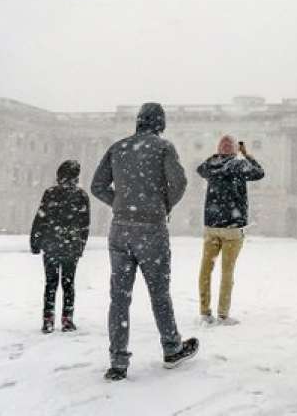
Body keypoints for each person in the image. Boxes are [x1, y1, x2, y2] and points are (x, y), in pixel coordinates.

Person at [91, 102, 199, 382]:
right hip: (151, 229)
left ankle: (118, 361)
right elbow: (179, 184)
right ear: (160, 124)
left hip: (120, 229)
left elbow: (97, 186)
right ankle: (171, 347)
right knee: (159, 293)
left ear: (138, 121)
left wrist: (121, 204)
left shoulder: (118, 147)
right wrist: (162, 205)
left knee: (119, 297)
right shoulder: (163, 148)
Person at [196, 135, 265, 325]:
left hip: (212, 225)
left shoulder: (211, 165)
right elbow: (259, 173)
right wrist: (246, 155)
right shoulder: (238, 164)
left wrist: (217, 156)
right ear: (235, 149)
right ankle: (223, 315)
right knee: (227, 273)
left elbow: (200, 169)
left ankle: (205, 312)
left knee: (205, 270)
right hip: (233, 228)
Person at [30, 160, 90, 334]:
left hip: (52, 244)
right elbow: (84, 224)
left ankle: (48, 319)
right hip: (71, 245)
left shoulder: (50, 193)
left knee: (50, 284)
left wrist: (35, 241)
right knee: (68, 284)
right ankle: (67, 319)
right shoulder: (81, 196)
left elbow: (40, 218)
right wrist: (81, 245)